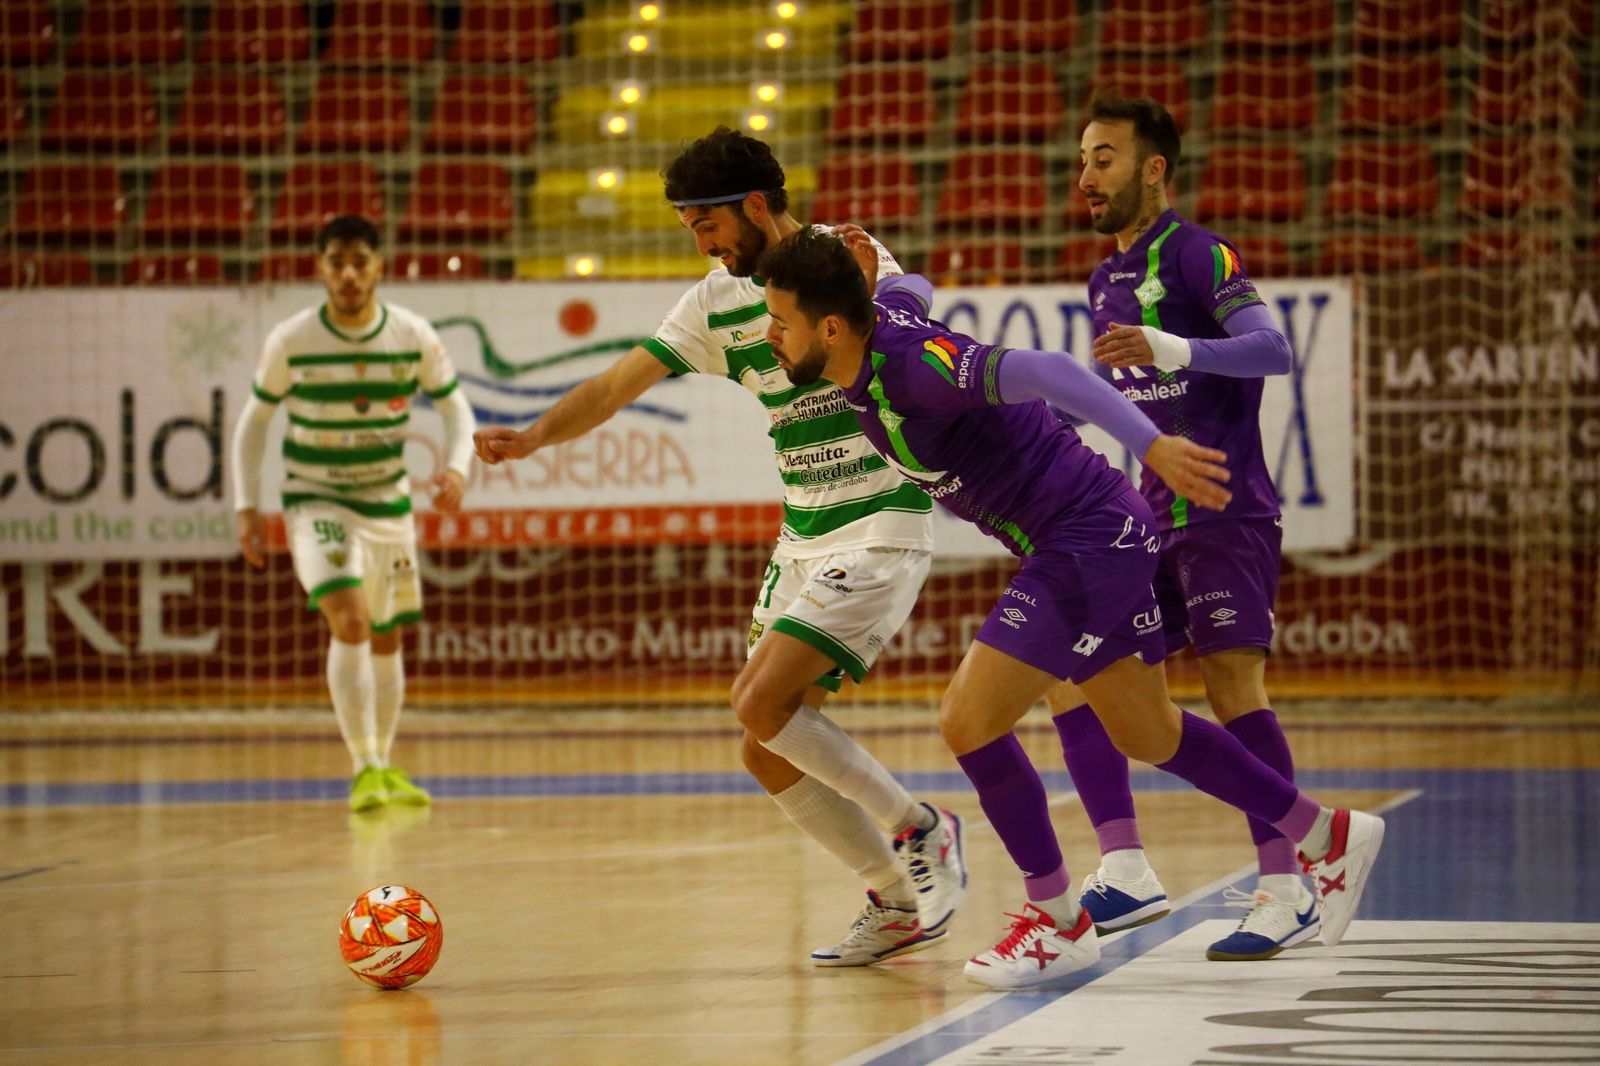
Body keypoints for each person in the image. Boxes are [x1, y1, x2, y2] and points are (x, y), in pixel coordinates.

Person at [756, 225, 1385, 990]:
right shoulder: (875, 325)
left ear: (828, 327)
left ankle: (1056, 920)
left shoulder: (915, 369)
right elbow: (909, 289)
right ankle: (1327, 832)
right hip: (1093, 534)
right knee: (1147, 730)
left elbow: (1051, 370)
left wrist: (1150, 444)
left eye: (779, 322)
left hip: (1086, 538)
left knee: (967, 719)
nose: (769, 338)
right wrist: (869, 263)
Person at [473, 127, 967, 966]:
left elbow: (913, 339)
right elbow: (614, 384)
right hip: (804, 528)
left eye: (705, 226)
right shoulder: (712, 302)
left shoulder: (845, 256)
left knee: (758, 704)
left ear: (751, 205)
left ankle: (923, 828)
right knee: (764, 742)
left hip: (881, 513)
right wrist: (531, 439)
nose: (701, 244)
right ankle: (892, 898)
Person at [1045, 95, 1317, 962]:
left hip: (1227, 509)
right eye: (1084, 159)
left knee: (1233, 683)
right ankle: (1124, 865)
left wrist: (1174, 348)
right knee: (1068, 667)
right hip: (1150, 519)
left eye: (1104, 159)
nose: (1086, 175)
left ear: (1152, 168)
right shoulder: (1102, 278)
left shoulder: (1199, 254)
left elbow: (1272, 350)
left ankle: (1287, 885)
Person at [232, 215, 476, 813]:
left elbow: (458, 412)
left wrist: (457, 468)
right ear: (320, 267)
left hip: (387, 504)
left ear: (378, 267)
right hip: (314, 497)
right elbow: (253, 422)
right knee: (351, 621)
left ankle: (384, 763)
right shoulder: (292, 339)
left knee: (388, 634)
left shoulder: (412, 334)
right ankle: (363, 766)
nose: (347, 274)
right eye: (336, 262)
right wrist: (245, 504)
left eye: (359, 262)